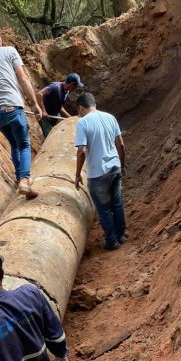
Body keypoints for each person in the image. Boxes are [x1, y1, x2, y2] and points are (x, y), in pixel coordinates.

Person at [0, 25, 43, 199]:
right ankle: (25, 180)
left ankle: (20, 179)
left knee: (14, 145)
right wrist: (34, 104)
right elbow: (23, 79)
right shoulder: (10, 51)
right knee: (24, 145)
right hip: (13, 108)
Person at [74, 92, 127, 251]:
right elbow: (121, 145)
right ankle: (121, 235)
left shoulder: (82, 123)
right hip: (115, 168)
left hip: (98, 174)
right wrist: (122, 166)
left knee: (104, 209)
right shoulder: (110, 117)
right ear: (94, 104)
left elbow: (82, 151)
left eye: (79, 110)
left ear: (81, 108)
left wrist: (77, 174)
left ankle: (111, 241)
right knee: (117, 204)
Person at [36, 73, 84, 138]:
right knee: (50, 138)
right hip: (45, 118)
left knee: (61, 134)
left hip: (55, 116)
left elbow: (60, 107)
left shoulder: (66, 92)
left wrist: (70, 118)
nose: (75, 89)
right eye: (75, 86)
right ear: (71, 84)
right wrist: (43, 110)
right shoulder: (55, 87)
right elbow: (39, 94)